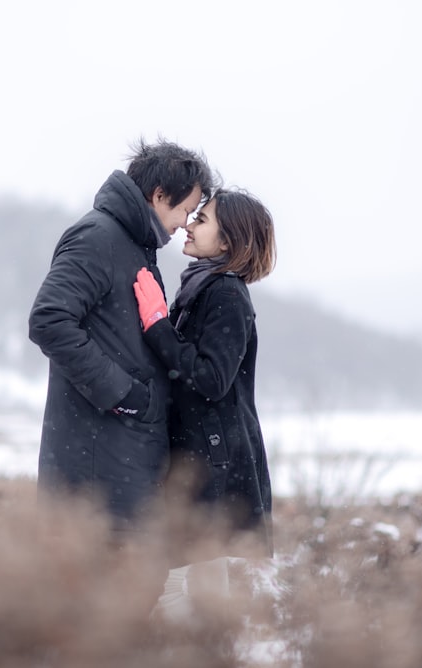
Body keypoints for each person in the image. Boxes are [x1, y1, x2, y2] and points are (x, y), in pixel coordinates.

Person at [28, 139, 217, 536]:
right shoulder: (98, 237)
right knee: (96, 591)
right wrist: (125, 396)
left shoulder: (133, 243)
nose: (186, 222)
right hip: (97, 463)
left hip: (121, 458)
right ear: (159, 194)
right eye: (185, 209)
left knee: (124, 591)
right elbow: (49, 319)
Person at [133, 189, 277, 561]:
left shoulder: (226, 293)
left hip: (219, 467)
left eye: (201, 220)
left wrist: (157, 325)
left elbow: (212, 378)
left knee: (211, 588)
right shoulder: (202, 286)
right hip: (205, 458)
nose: (188, 226)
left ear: (228, 239)